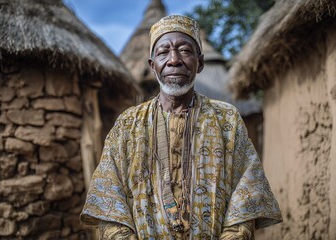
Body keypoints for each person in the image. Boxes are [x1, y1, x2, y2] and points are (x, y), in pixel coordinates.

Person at [80, 15, 282, 239]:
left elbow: (246, 196)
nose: (174, 60)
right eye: (163, 52)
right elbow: (110, 200)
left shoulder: (227, 120)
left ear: (200, 62)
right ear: (152, 65)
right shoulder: (127, 125)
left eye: (184, 50)